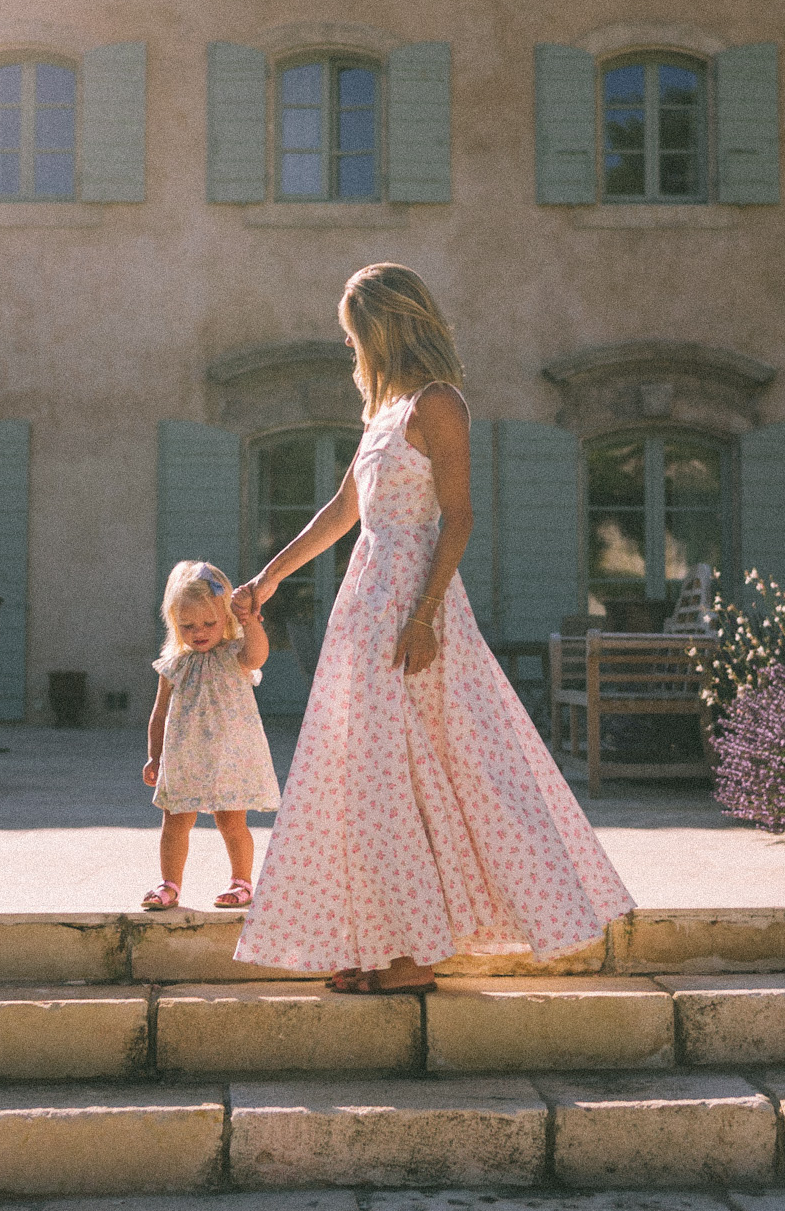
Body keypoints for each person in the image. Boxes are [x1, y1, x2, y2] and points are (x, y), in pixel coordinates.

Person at [232, 262, 633, 992]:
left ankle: (418, 954)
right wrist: (271, 576)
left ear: (384, 330)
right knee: (370, 782)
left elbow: (460, 517)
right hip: (365, 603)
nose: (352, 351)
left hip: (416, 603)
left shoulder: (438, 403)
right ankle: (388, 942)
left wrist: (424, 616)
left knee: (437, 771)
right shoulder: (382, 414)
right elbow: (341, 513)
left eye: (356, 336)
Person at [141, 560, 279, 912]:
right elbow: (159, 714)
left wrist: (251, 625)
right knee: (174, 821)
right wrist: (154, 756)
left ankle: (242, 881)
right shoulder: (174, 664)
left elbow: (257, 655)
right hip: (184, 757)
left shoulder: (235, 655)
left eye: (208, 623)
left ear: (227, 619)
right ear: (175, 623)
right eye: (187, 625)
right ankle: (169, 884)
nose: (198, 631)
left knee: (231, 820)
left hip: (229, 755)